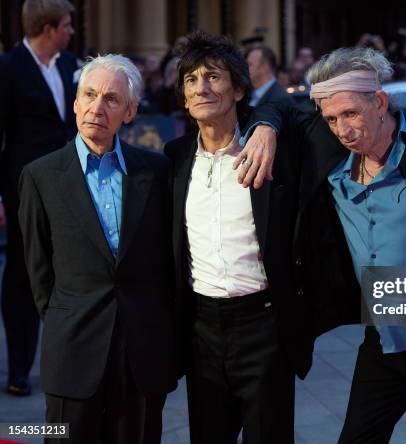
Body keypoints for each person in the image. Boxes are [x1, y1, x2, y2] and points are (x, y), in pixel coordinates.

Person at [250, 46, 406, 443]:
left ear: (379, 102)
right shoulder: (328, 149)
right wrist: (266, 128)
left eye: (351, 114)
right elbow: (279, 108)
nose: (342, 129)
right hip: (381, 338)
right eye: (331, 118)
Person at [18, 54, 177, 443]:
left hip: (140, 356)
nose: (96, 108)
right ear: (75, 102)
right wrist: (67, 318)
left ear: (130, 112)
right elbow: (39, 274)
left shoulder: (155, 172)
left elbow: (164, 263)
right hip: (73, 353)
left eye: (111, 99)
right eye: (89, 95)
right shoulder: (40, 176)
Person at [163, 31, 309, 444]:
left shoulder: (270, 149)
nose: (201, 87)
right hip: (201, 329)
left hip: (264, 323)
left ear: (240, 88)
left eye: (213, 76)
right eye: (191, 79)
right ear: (183, 97)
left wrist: (266, 122)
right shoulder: (173, 160)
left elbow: (293, 106)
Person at [0, 0, 78, 397]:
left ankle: (70, 361)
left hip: (69, 186)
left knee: (71, 269)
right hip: (22, 190)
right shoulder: (8, 68)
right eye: (66, 25)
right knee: (21, 273)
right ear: (48, 28)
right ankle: (19, 370)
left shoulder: (69, 66)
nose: (71, 31)